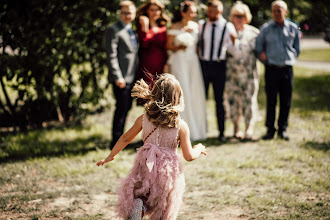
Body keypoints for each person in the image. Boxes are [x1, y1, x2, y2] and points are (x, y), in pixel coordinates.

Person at [96, 74, 207, 220]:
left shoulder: (144, 119)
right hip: (167, 172)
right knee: (164, 208)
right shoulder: (181, 126)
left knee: (143, 193)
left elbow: (125, 138)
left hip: (145, 164)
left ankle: (139, 205)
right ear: (178, 97)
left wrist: (111, 155)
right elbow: (188, 156)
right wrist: (198, 148)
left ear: (155, 94)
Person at [255, 0, 300, 141]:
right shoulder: (265, 29)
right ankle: (270, 130)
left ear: (285, 12)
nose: (276, 13)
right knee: (271, 100)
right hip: (271, 69)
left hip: (287, 70)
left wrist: (290, 59)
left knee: (286, 100)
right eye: (274, 10)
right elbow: (258, 48)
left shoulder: (293, 28)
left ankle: (283, 129)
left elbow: (297, 49)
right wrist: (264, 58)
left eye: (279, 10)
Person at [166, 1, 207, 141]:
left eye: (195, 12)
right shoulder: (174, 27)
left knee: (194, 92)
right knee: (182, 93)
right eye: (191, 12)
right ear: (183, 13)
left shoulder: (197, 27)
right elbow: (169, 46)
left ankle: (196, 129)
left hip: (193, 62)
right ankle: (177, 131)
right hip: (180, 62)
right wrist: (179, 47)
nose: (194, 15)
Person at [104, 1, 138, 149]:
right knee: (121, 110)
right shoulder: (113, 30)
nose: (127, 15)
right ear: (120, 13)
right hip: (121, 78)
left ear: (134, 13)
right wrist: (118, 76)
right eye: (125, 13)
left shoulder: (132, 30)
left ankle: (122, 141)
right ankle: (116, 142)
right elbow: (111, 55)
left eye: (130, 12)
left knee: (126, 109)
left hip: (132, 76)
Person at [198, 0, 233, 141]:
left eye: (212, 11)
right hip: (203, 65)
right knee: (201, 99)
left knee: (219, 100)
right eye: (208, 11)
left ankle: (221, 132)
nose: (209, 14)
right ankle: (201, 131)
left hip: (219, 66)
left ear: (219, 11)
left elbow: (232, 45)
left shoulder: (227, 26)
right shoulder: (201, 25)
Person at [225, 1, 260, 140]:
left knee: (249, 101)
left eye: (241, 16)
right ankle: (236, 127)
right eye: (236, 15)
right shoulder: (228, 32)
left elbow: (244, 52)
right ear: (232, 17)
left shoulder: (253, 32)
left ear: (247, 17)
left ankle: (248, 128)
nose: (239, 19)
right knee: (233, 100)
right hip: (232, 74)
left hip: (249, 74)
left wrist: (235, 44)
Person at [136, 0, 169, 105]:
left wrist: (167, 63)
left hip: (161, 62)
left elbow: (166, 47)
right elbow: (144, 43)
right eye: (152, 10)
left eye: (157, 10)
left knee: (161, 94)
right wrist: (145, 27)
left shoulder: (163, 26)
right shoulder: (141, 24)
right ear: (147, 11)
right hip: (147, 62)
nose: (155, 12)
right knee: (148, 94)